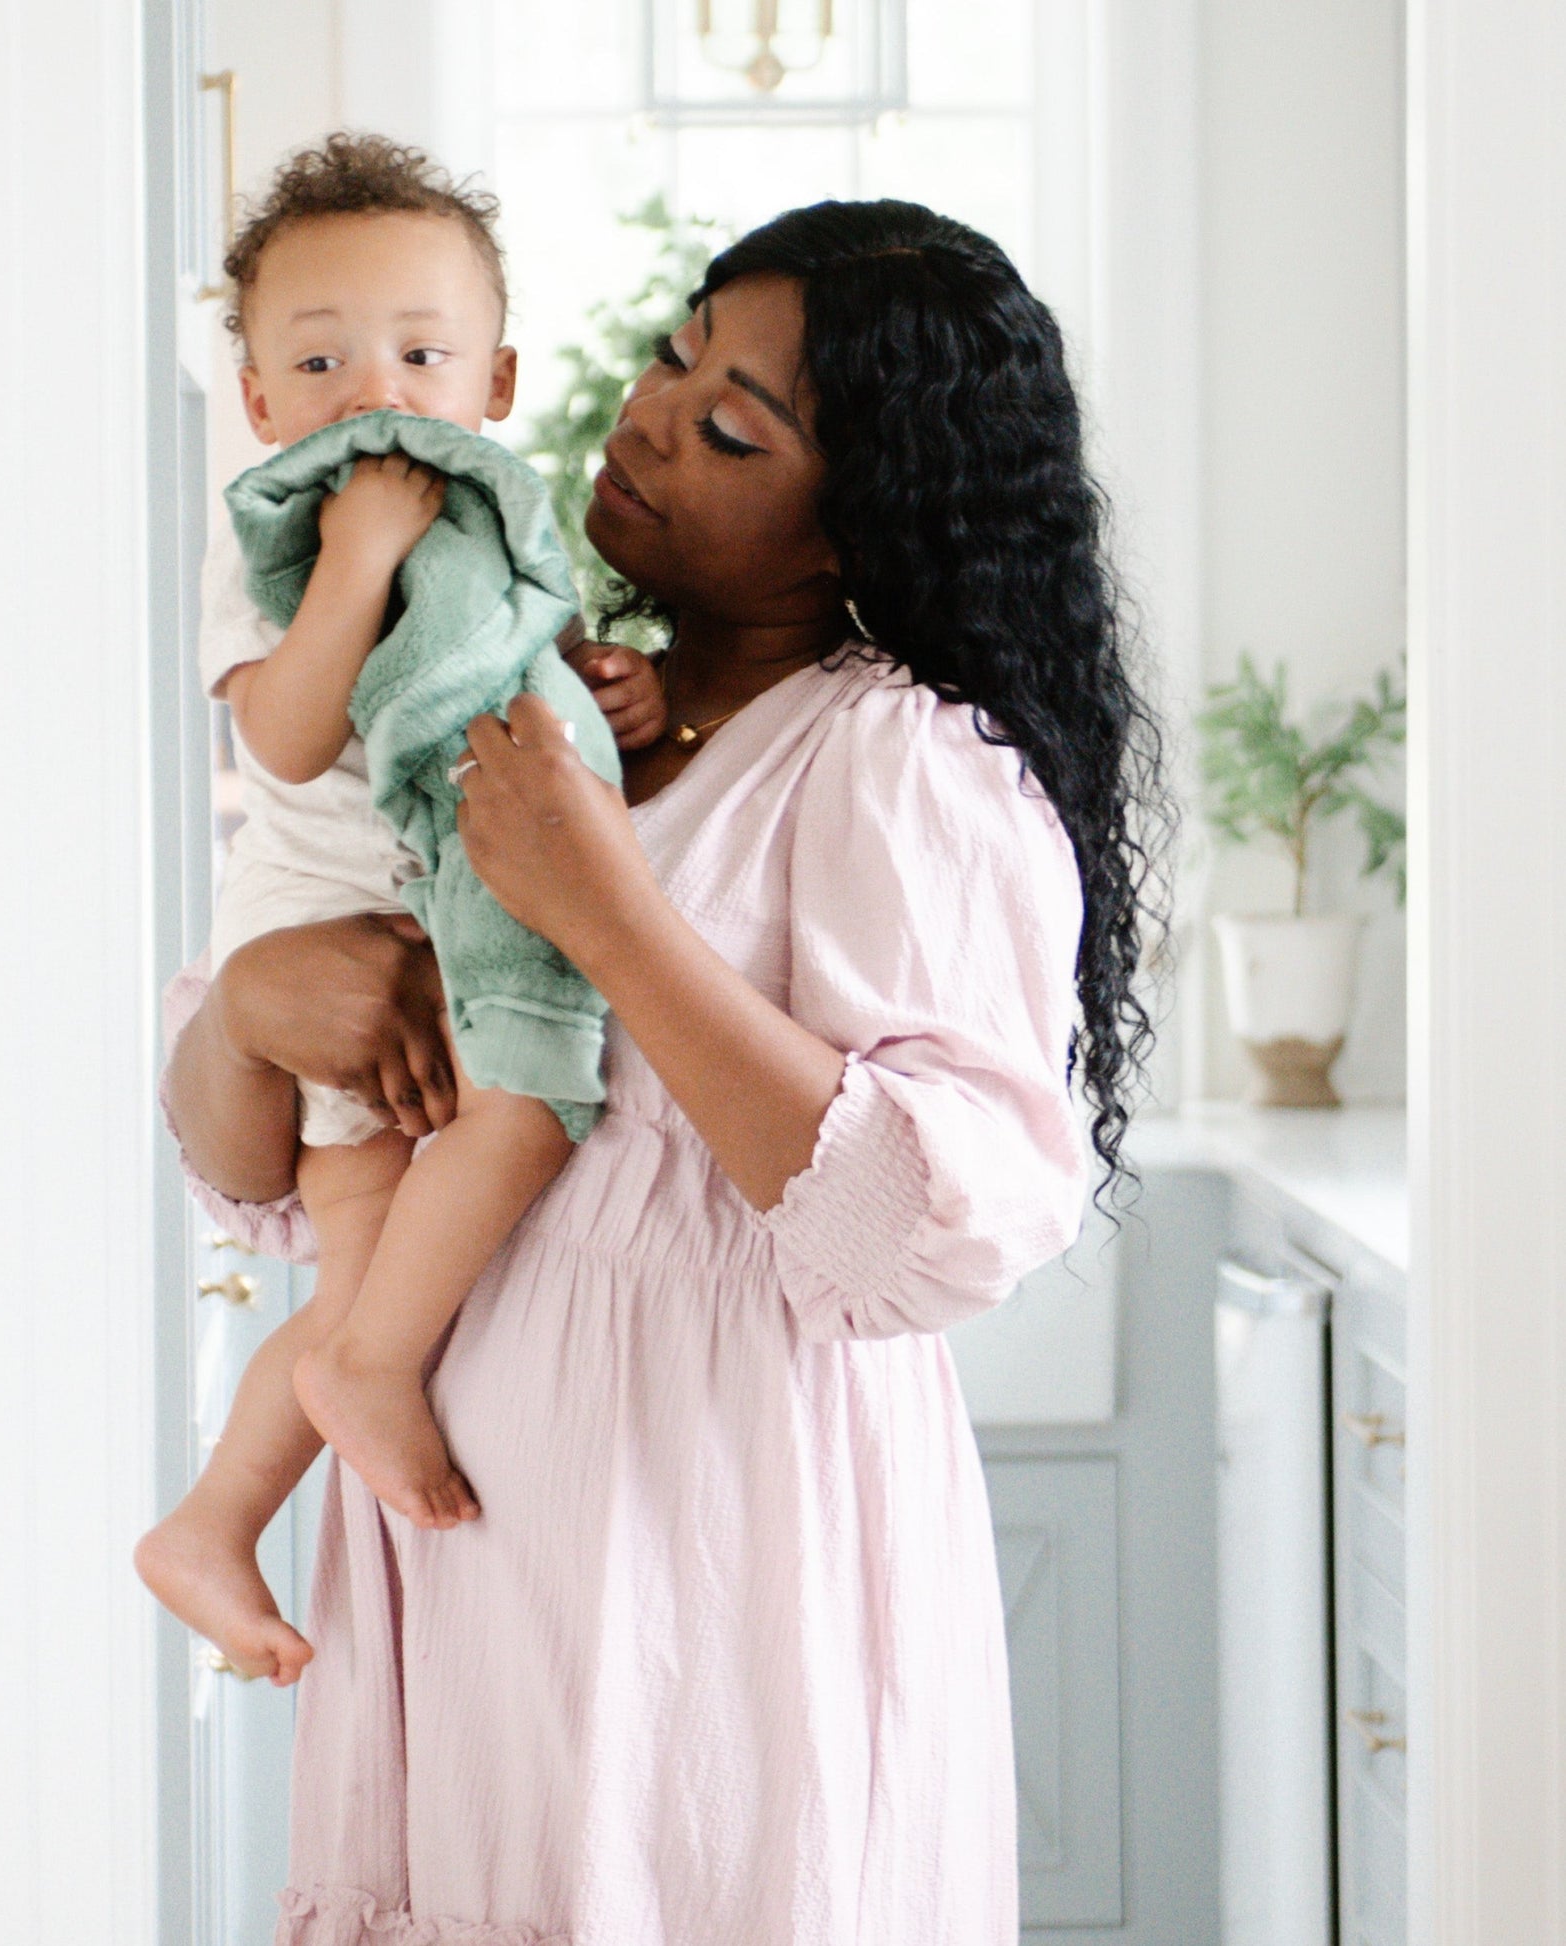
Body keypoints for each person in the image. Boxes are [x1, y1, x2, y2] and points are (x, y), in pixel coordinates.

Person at [163, 197, 1168, 1944]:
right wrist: (249, 1000)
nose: (645, 418)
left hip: (698, 1576)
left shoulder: (896, 760)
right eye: (667, 353)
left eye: (727, 425)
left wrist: (611, 916)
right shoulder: (519, 690)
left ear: (859, 513)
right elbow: (241, 1160)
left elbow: (929, 1236)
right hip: (466, 1553)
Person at [136, 134, 666, 1687]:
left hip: (453, 914)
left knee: (377, 1292)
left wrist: (609, 691)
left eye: (421, 352)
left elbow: (517, 676)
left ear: (495, 381)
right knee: (365, 1254)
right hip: (319, 920)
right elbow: (290, 736)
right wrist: (356, 558)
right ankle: (251, 1484)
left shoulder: (503, 526)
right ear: (258, 399)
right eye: (320, 357)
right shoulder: (276, 539)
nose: (374, 387)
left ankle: (213, 1523)